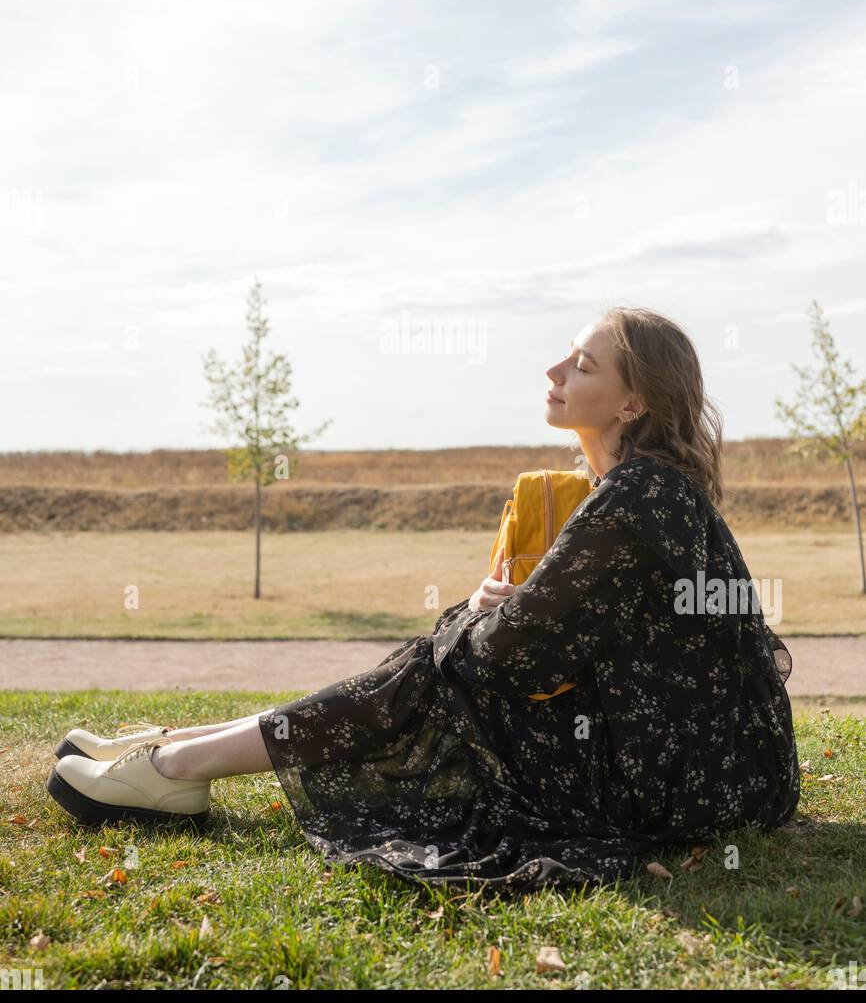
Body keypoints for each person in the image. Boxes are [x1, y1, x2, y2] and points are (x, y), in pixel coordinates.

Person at [46, 306, 800, 893]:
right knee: (438, 659)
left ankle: (176, 767)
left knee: (436, 666)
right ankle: (173, 753)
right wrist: (488, 614)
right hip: (703, 762)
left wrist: (476, 613)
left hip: (682, 783)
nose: (554, 369)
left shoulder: (639, 495)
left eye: (581, 364)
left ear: (633, 401)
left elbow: (511, 655)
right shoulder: (642, 487)